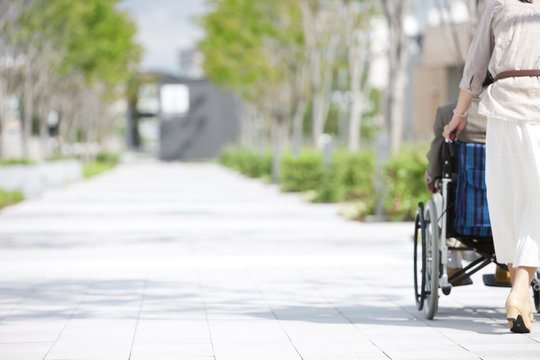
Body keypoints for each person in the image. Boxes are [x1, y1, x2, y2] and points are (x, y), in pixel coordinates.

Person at [443, 0, 540, 333]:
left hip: (500, 112)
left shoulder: (499, 6)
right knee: (535, 204)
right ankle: (519, 290)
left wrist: (458, 115)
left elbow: (476, 63)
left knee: (508, 202)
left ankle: (520, 296)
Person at [425, 97, 511, 287]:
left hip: (466, 210)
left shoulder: (448, 112)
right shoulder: (515, 111)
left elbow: (438, 153)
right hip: (508, 208)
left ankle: (453, 266)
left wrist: (431, 177)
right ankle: (505, 269)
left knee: (444, 196)